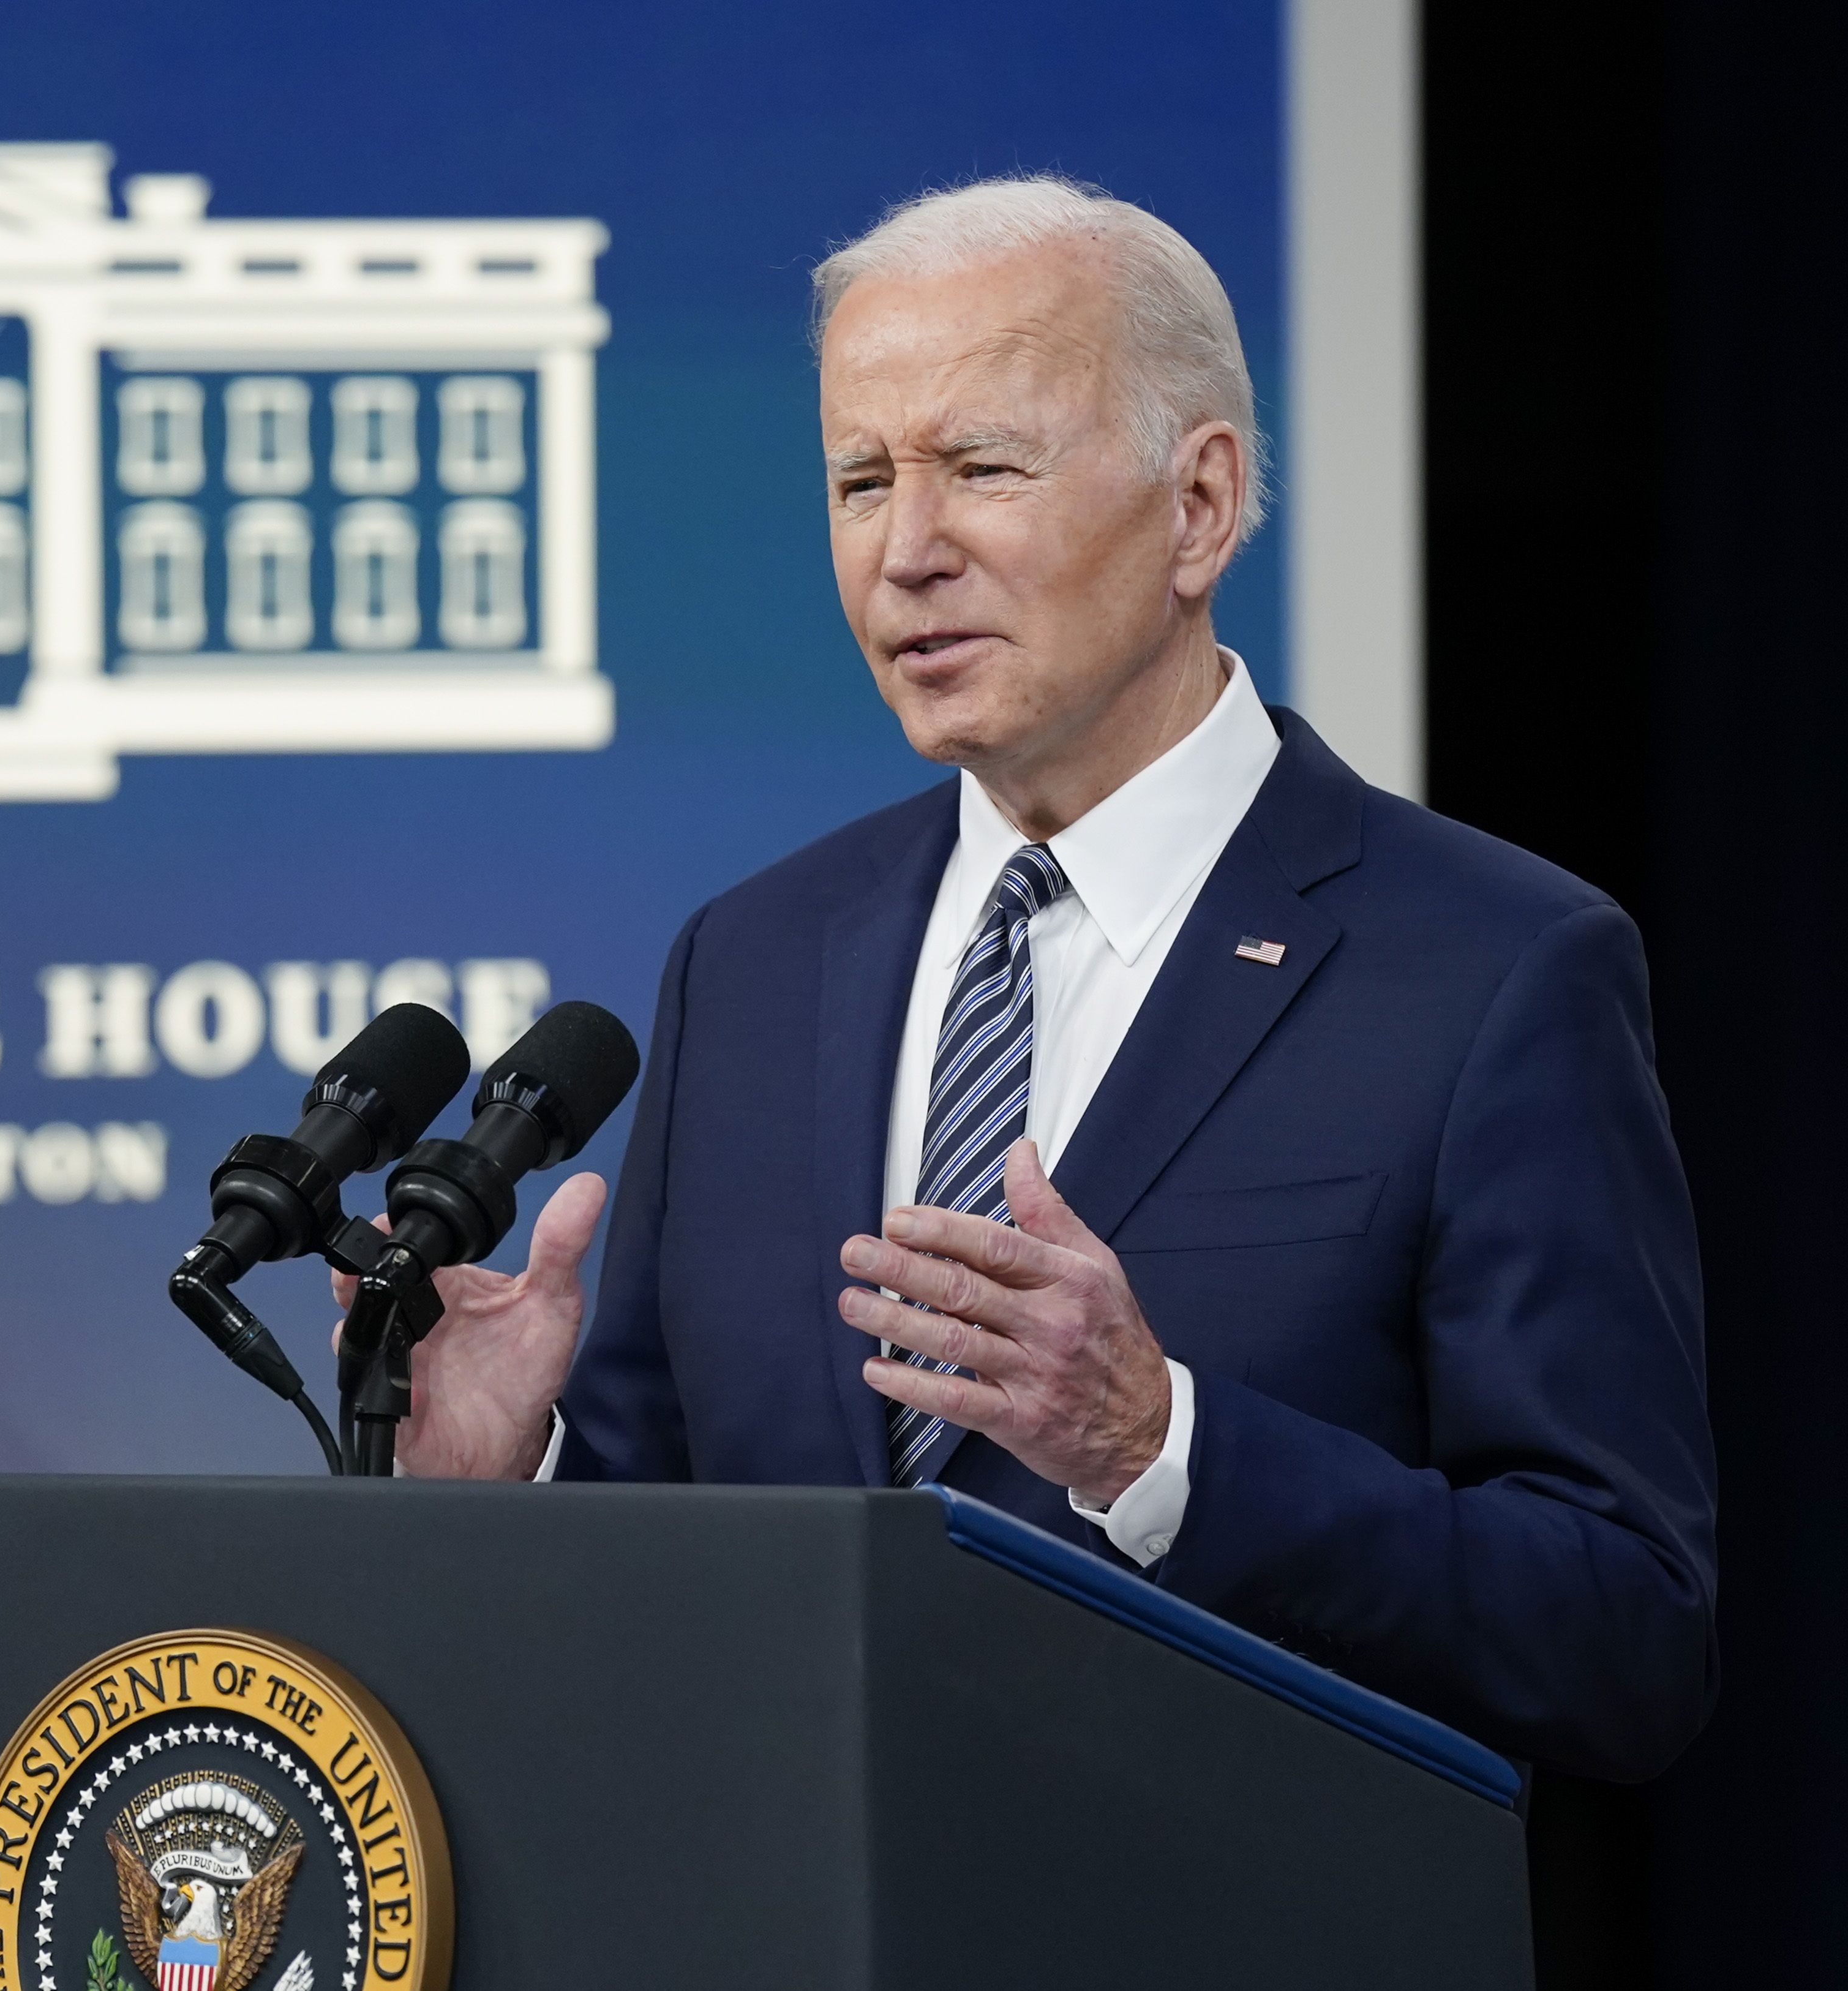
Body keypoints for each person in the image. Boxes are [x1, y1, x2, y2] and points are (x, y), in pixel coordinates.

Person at [337, 176, 1716, 1781]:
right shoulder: (754, 959)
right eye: (861, 481)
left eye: (983, 468)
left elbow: (1625, 1634)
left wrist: (1162, 1447)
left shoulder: (1492, 969)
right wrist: (513, 1476)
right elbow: (674, 1553)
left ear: (1198, 504)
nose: (905, 553)